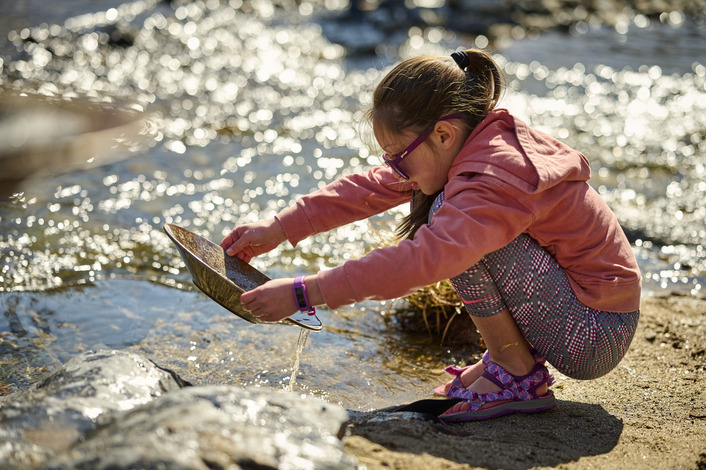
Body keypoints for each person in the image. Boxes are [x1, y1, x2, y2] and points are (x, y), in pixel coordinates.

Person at [220, 49, 641, 422]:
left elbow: (427, 259)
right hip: (586, 314)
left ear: (443, 133)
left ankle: (515, 375)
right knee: (438, 204)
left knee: (443, 218)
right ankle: (509, 359)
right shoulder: (473, 143)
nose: (395, 170)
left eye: (399, 158)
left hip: (592, 334)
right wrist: (278, 227)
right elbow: (369, 187)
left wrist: (304, 292)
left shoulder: (492, 177)